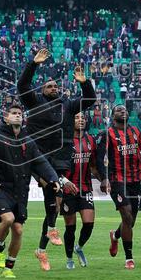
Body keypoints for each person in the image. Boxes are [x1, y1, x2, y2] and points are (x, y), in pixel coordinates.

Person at [18, 50, 96, 264]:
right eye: (49, 86)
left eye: (56, 86)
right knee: (53, 190)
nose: (54, 88)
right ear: (42, 90)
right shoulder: (34, 102)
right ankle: (46, 230)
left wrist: (84, 82)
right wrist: (33, 64)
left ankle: (48, 236)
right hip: (40, 158)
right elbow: (22, 86)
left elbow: (89, 99)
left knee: (54, 196)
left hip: (61, 159)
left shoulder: (67, 105)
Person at [0, 103, 76, 277]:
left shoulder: (28, 141)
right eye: (13, 113)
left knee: (18, 230)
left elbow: (41, 162)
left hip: (20, 191)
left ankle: (8, 268)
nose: (17, 115)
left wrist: (53, 179)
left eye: (20, 113)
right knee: (9, 219)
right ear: (6, 118)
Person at [98, 104, 141, 269]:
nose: (123, 111)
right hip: (117, 180)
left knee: (131, 221)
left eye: (124, 109)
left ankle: (115, 236)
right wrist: (104, 178)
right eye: (118, 110)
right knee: (127, 217)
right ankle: (129, 258)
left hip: (136, 179)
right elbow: (100, 159)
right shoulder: (107, 135)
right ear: (112, 115)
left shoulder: (135, 132)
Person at [60, 113, 106, 269]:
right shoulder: (64, 141)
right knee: (70, 227)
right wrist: (63, 181)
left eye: (83, 118)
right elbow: (56, 165)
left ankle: (78, 247)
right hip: (68, 190)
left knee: (89, 224)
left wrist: (103, 180)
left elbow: (93, 166)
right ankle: (69, 260)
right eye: (76, 117)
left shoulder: (91, 141)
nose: (81, 120)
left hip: (85, 188)